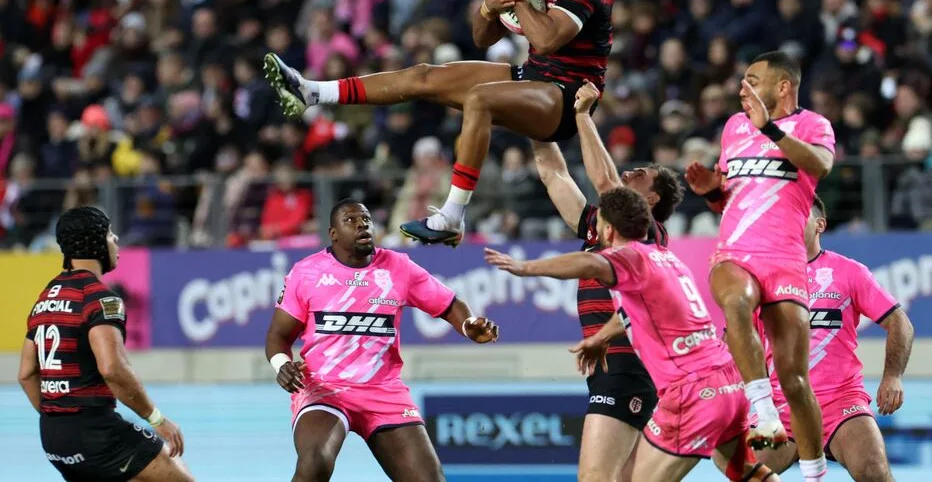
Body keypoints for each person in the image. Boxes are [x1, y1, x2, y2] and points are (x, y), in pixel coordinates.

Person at [263, 0, 613, 246]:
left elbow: (547, 39)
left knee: (481, 98)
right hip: (534, 76)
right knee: (425, 75)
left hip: (568, 96)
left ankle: (452, 215)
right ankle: (312, 92)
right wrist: (489, 6)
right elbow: (482, 38)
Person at [484, 187, 777, 482]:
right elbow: (633, 313)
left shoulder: (629, 258)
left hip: (692, 392)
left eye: (598, 226)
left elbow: (591, 263)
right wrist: (602, 337)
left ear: (608, 230)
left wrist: (526, 267)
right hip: (727, 382)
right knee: (747, 471)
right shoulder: (667, 259)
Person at [264, 199, 499, 482]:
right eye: (350, 220)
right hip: (323, 388)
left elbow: (449, 304)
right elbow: (278, 336)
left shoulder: (398, 267)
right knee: (315, 463)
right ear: (333, 233)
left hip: (383, 391)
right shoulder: (307, 272)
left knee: (430, 479)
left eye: (366, 219)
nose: (362, 224)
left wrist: (468, 323)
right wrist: (281, 365)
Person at [685, 51, 835, 481]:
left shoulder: (813, 126)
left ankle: (814, 473)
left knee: (795, 380)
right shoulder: (733, 127)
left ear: (782, 86)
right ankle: (762, 408)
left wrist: (768, 128)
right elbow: (731, 194)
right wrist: (712, 192)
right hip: (735, 250)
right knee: (735, 301)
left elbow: (820, 165)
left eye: (751, 79)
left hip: (785, 258)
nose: (741, 88)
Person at [532, 82, 683, 482]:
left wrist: (581, 115)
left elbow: (607, 184)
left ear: (650, 202)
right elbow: (553, 174)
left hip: (629, 364)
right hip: (614, 366)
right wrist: (531, 120)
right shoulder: (600, 229)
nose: (631, 171)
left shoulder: (648, 232)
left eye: (641, 176)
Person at [715, 195, 914, 481]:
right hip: (780, 405)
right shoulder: (759, 279)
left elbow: (900, 323)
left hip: (840, 402)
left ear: (820, 225)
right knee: (744, 473)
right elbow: (733, 339)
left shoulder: (849, 272)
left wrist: (892, 376)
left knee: (875, 471)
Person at [16, 206, 193, 482]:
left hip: (52, 437)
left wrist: (60, 420)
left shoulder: (45, 298)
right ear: (95, 242)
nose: (116, 240)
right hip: (95, 433)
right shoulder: (100, 298)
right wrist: (157, 419)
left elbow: (26, 374)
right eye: (110, 234)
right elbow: (113, 368)